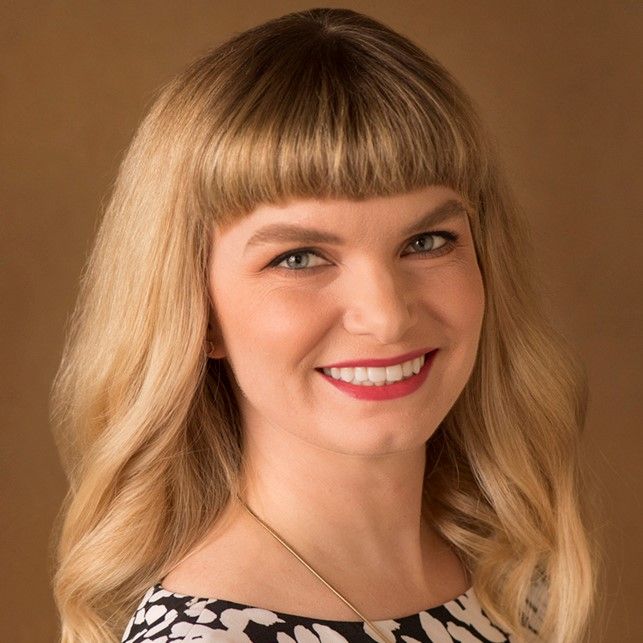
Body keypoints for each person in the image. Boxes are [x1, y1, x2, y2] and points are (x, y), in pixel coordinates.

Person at [49, 8, 600, 643]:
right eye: (299, 258)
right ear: (197, 312)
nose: (387, 316)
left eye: (426, 240)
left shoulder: (505, 569)